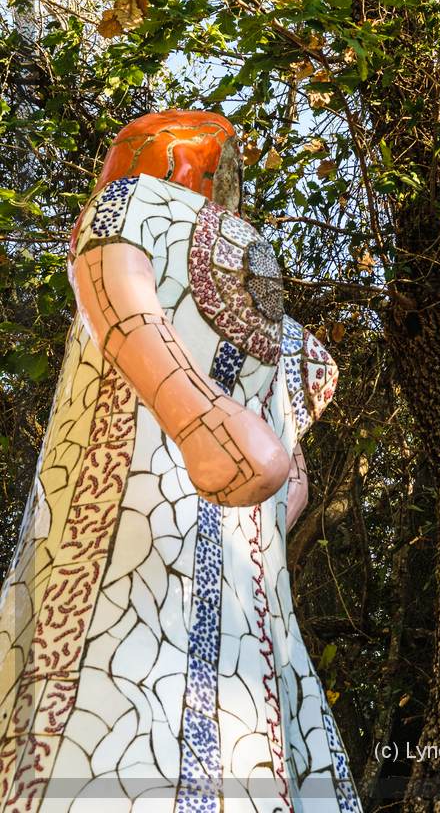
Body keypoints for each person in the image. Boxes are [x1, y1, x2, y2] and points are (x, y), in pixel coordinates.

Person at [0, 111, 361, 811]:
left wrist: (198, 419)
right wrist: (200, 419)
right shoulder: (156, 219)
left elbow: (116, 279)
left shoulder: (136, 205)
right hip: (217, 604)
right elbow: (116, 284)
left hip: (179, 592)